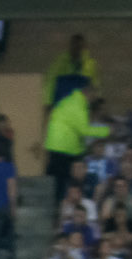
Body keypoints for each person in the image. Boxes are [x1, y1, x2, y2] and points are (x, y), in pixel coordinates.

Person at [43, 75, 108, 209]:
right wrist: (107, 131)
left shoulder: (72, 101)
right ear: (87, 91)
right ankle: (59, 209)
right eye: (94, 93)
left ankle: (58, 207)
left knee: (57, 181)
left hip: (61, 147)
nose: (94, 98)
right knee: (61, 183)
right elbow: (84, 130)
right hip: (63, 148)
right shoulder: (77, 105)